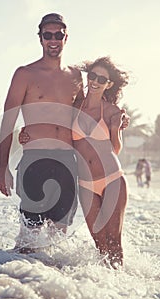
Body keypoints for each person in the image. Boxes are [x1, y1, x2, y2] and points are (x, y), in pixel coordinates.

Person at [0, 13, 84, 252]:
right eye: (48, 35)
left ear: (66, 37)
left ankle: (44, 283)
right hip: (35, 160)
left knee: (58, 243)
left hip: (67, 161)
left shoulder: (76, 77)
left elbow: (84, 118)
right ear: (40, 38)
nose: (53, 40)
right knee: (28, 240)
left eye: (58, 35)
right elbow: (8, 122)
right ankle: (15, 282)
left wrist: (116, 117)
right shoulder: (25, 74)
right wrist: (2, 167)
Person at [72, 56, 129, 268]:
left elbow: (115, 149)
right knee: (100, 246)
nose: (95, 81)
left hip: (113, 179)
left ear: (109, 84)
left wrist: (114, 129)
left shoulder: (113, 111)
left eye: (101, 79)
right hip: (86, 185)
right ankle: (104, 288)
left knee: (115, 244)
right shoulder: (74, 108)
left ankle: (122, 294)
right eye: (92, 76)